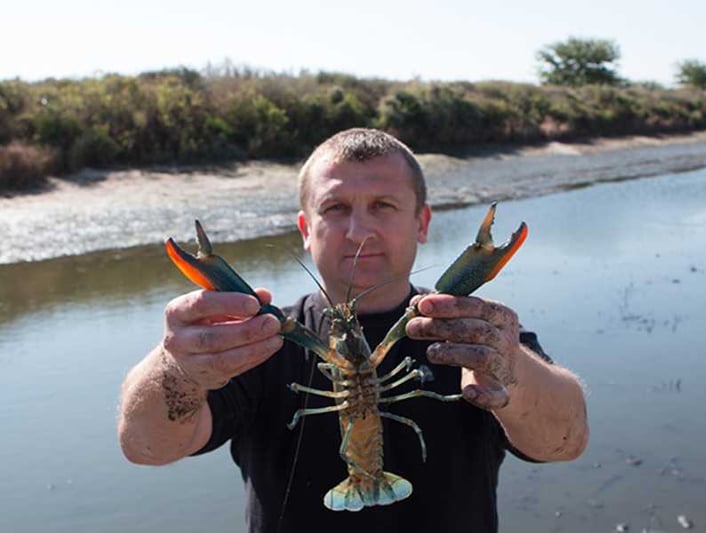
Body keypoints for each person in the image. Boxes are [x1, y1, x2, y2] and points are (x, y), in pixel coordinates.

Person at [118, 128, 588, 532]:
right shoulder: (253, 341)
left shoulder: (472, 334)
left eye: (383, 205)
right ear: (305, 228)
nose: (359, 231)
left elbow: (567, 441)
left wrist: (513, 375)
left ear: (422, 222)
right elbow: (145, 447)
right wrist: (177, 370)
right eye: (335, 208)